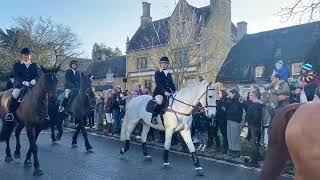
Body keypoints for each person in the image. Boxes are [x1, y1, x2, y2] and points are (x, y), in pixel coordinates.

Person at [4, 48, 39, 121]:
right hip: (20, 85)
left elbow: (38, 75)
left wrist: (34, 80)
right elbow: (16, 75)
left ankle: (44, 113)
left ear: (30, 56)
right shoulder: (17, 65)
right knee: (15, 94)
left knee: (42, 93)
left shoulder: (34, 65)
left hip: (32, 85)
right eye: (25, 55)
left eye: (28, 55)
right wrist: (23, 82)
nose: (27, 56)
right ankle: (10, 112)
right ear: (22, 56)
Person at [151, 56, 176, 124]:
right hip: (159, 92)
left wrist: (174, 91)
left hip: (168, 92)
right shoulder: (157, 72)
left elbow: (171, 84)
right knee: (159, 101)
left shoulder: (169, 73)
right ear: (160, 64)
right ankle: (154, 117)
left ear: (167, 65)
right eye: (163, 63)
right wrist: (164, 92)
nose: (164, 65)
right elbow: (158, 84)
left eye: (166, 64)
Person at [244, 90, 263, 167]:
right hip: (255, 126)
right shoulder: (256, 104)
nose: (249, 96)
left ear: (254, 96)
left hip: (254, 126)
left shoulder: (256, 105)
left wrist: (248, 121)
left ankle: (254, 161)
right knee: (254, 142)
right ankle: (257, 157)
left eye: (250, 95)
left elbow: (256, 117)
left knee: (253, 143)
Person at [225, 89, 244, 158]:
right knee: (229, 136)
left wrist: (229, 103)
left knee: (235, 136)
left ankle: (237, 150)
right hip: (229, 119)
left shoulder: (239, 100)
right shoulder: (230, 100)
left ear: (234, 94)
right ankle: (231, 149)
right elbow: (226, 108)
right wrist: (227, 102)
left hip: (235, 120)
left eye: (230, 94)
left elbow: (235, 108)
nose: (229, 95)